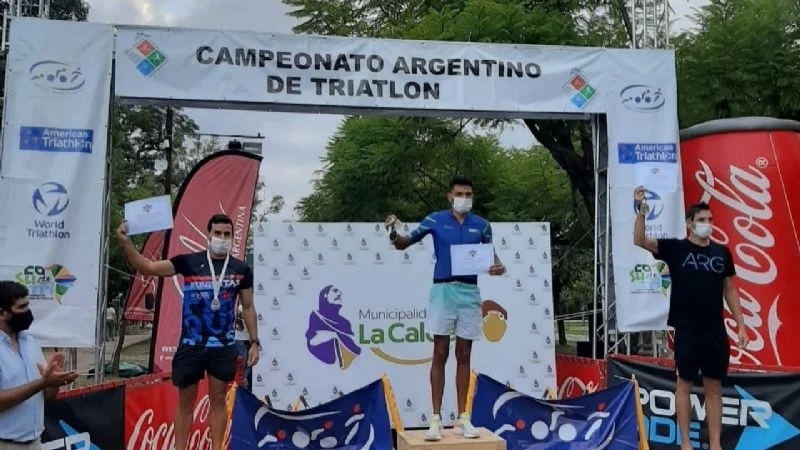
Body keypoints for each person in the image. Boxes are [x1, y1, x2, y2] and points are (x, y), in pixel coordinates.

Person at [117, 213, 260, 450]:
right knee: (185, 403)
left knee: (218, 401)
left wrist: (254, 342)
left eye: (227, 234)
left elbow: (248, 306)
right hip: (191, 344)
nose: (222, 238)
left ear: (233, 237)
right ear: (208, 235)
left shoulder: (241, 269)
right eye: (217, 233)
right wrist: (125, 242)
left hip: (222, 345)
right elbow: (147, 267)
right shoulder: (189, 262)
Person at [385, 175, 506, 441]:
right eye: (459, 194)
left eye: (468, 194)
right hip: (443, 290)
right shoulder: (435, 220)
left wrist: (498, 267)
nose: (464, 198)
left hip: (469, 292)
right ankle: (435, 420)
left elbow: (493, 259)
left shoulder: (482, 225)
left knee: (464, 353)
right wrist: (393, 233)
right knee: (440, 351)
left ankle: (463, 418)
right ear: (449, 196)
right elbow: (404, 242)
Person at [632, 186, 748, 450]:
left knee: (714, 387)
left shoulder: (722, 253)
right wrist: (641, 211)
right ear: (689, 224)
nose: (707, 224)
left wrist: (741, 325)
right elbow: (640, 240)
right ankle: (686, 444)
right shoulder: (676, 248)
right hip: (686, 328)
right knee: (683, 384)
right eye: (702, 220)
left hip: (715, 330)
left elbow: (730, 289)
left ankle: (715, 444)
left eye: (710, 219)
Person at [0, 280, 79, 450]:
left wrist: (53, 382)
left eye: (28, 305)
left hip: (35, 442)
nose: (28, 312)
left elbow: (45, 397)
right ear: (2, 314)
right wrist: (42, 382)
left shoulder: (30, 343)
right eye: (22, 307)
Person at [234, 304, 253, 390]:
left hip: (239, 341)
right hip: (241, 341)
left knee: (241, 373)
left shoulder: (239, 307)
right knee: (243, 374)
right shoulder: (243, 308)